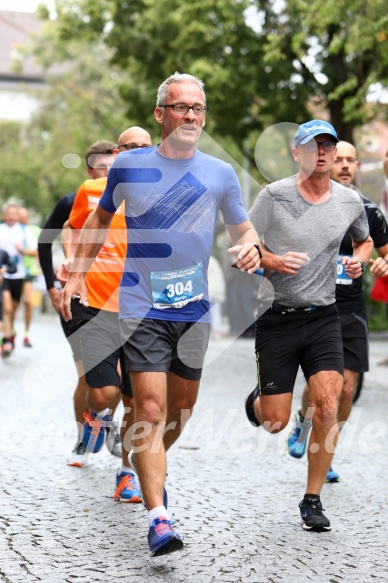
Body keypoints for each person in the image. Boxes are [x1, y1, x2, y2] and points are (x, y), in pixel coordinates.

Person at [60, 72, 261, 557]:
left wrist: (251, 247)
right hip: (139, 305)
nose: (191, 115)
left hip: (192, 308)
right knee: (148, 408)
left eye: (198, 108)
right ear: (161, 113)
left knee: (178, 411)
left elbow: (243, 228)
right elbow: (101, 218)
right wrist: (74, 276)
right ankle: (158, 517)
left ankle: (143, 461)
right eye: (181, 107)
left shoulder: (219, 172)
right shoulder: (129, 168)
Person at [245, 120, 373, 532]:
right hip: (277, 319)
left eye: (328, 145)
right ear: (296, 153)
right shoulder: (274, 195)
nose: (322, 152)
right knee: (275, 421)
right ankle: (260, 399)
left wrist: (358, 260)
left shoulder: (349, 201)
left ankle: (312, 499)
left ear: (335, 154)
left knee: (328, 403)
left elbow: (365, 239)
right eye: (312, 145)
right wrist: (273, 261)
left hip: (323, 316)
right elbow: (244, 244)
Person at [286, 140, 388, 481]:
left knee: (346, 388)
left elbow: (385, 253)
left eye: (350, 161)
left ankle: (325, 450)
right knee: (321, 385)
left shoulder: (369, 211)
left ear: (357, 166)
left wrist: (383, 265)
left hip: (351, 308)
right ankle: (303, 420)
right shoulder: (308, 204)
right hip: (314, 305)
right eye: (338, 159)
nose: (344, 165)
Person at [62, 126, 152, 501]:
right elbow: (72, 226)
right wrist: (74, 263)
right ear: (117, 153)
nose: (135, 154)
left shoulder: (165, 194)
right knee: (103, 391)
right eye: (128, 148)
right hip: (95, 303)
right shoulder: (92, 191)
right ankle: (96, 417)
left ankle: (127, 472)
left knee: (138, 402)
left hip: (143, 311)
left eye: (143, 148)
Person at [37, 140, 120, 465]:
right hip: (79, 299)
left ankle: (102, 419)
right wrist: (53, 287)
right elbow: (48, 241)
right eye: (102, 169)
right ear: (90, 171)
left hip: (118, 299)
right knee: (88, 375)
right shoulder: (75, 200)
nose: (108, 174)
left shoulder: (131, 199)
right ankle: (83, 438)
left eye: (113, 168)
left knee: (118, 375)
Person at [0, 203, 38, 357]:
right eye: (8, 214)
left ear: (17, 216)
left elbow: (35, 251)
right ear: (4, 215)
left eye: (14, 214)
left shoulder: (24, 231)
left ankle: (11, 333)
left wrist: (23, 251)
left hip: (19, 274)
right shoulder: (1, 229)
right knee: (7, 307)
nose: (11, 217)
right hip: (3, 275)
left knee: (14, 308)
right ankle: (8, 339)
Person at [18, 207, 42, 347]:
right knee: (10, 305)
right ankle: (11, 331)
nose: (22, 220)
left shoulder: (34, 230)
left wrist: (40, 267)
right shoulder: (11, 231)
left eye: (24, 217)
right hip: (12, 272)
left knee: (27, 301)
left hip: (29, 271)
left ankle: (26, 334)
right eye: (19, 217)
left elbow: (40, 251)